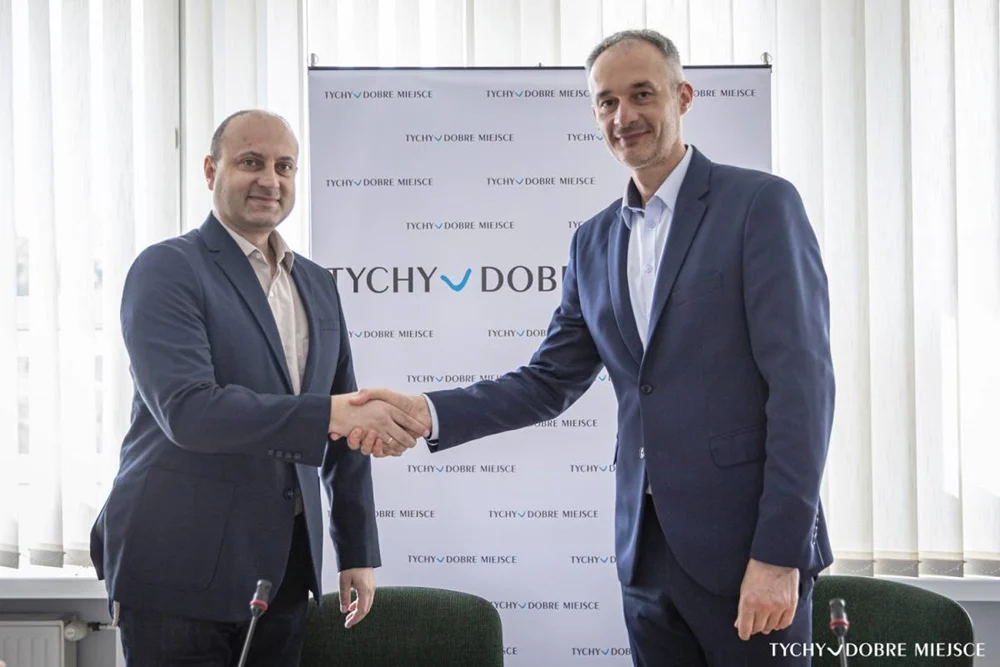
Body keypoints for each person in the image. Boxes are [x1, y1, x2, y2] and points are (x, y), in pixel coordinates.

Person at [338, 29, 836, 666]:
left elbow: (803, 391)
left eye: (642, 94)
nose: (624, 116)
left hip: (748, 554)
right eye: (607, 102)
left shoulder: (760, 204)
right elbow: (548, 381)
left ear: (683, 96)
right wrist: (425, 412)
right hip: (644, 557)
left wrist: (779, 554)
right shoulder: (594, 241)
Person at [89, 109, 428, 666]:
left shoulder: (317, 283)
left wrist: (356, 551)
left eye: (284, 166)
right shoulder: (167, 268)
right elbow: (189, 411)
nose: (270, 179)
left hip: (282, 571)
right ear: (211, 170)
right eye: (251, 162)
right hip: (175, 565)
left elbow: (347, 419)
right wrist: (333, 414)